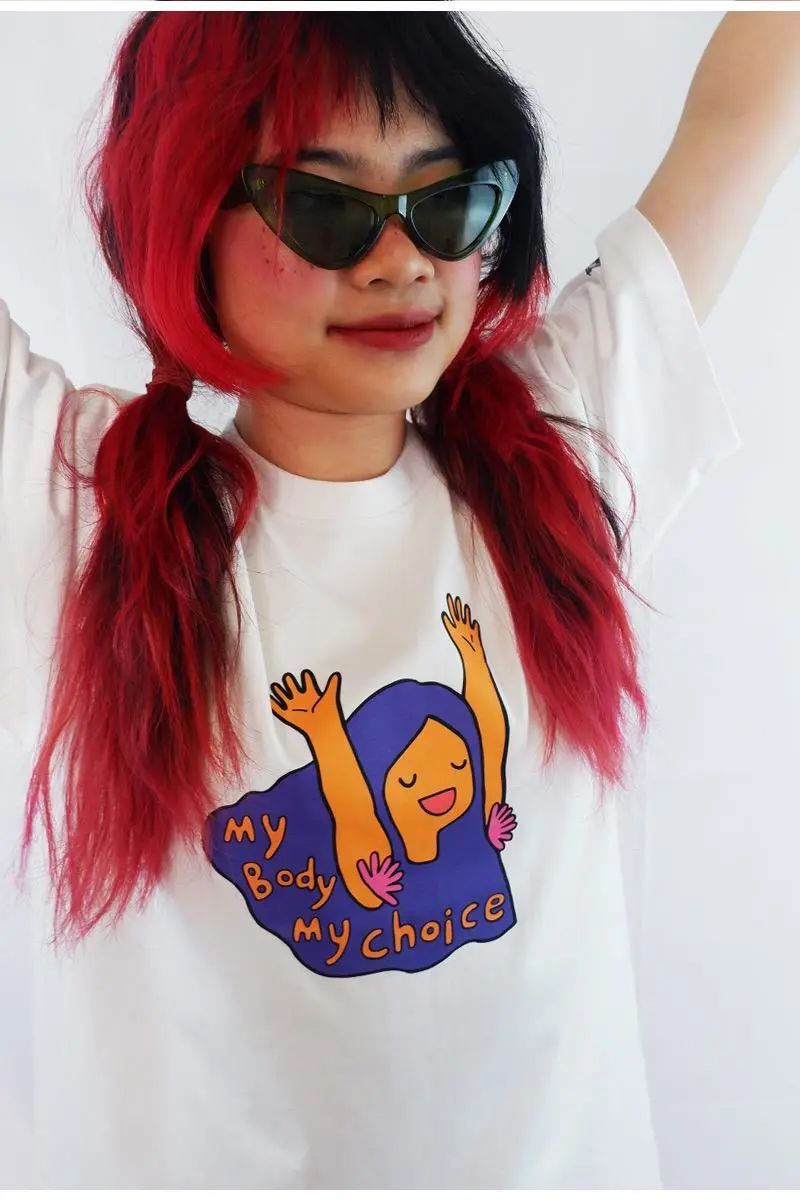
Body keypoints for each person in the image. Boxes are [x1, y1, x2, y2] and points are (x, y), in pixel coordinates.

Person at [1, 9, 758, 1190]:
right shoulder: (80, 521)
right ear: (184, 220)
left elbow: (746, 102)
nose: (400, 261)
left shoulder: (553, 463)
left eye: (444, 203)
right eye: (325, 207)